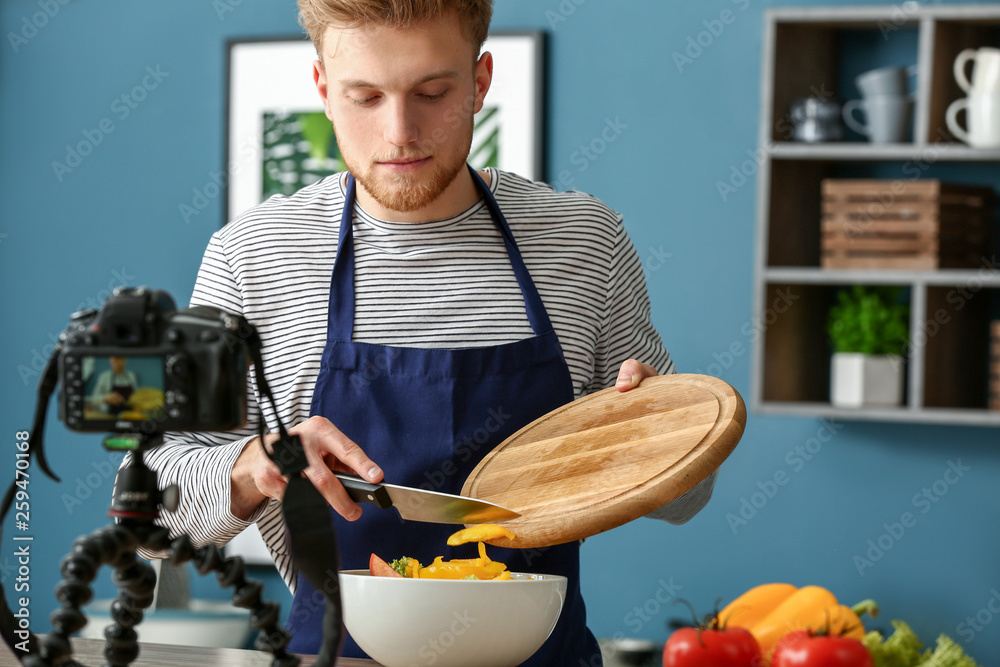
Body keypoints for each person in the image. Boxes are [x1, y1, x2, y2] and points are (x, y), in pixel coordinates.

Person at [131, 0, 717, 663]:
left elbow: (689, 498)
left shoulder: (585, 242)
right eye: (365, 96)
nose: (400, 132)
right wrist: (252, 466)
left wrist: (650, 436)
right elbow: (145, 511)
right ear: (323, 89)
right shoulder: (253, 255)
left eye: (432, 92)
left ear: (480, 83)